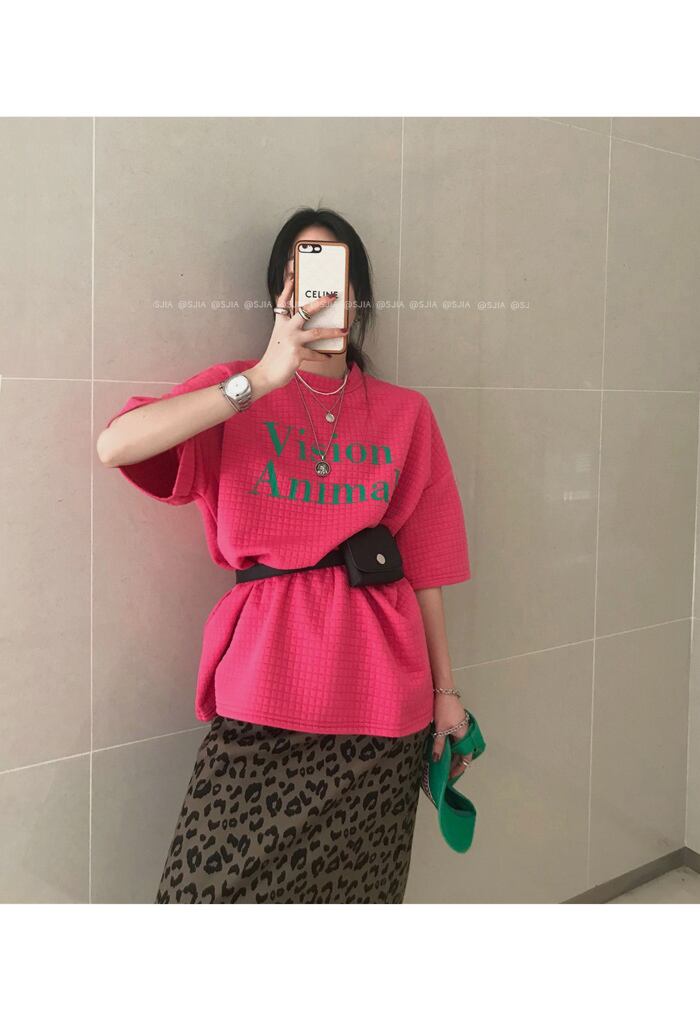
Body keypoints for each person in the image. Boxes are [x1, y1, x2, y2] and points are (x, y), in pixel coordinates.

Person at [96, 206, 473, 904]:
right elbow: (115, 444)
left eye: (336, 278)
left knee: (356, 898)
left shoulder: (408, 413)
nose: (319, 294)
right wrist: (262, 381)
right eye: (302, 277)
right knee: (202, 897)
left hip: (383, 699)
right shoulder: (235, 390)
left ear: (358, 297)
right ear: (279, 294)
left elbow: (429, 565)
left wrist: (446, 695)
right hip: (264, 691)